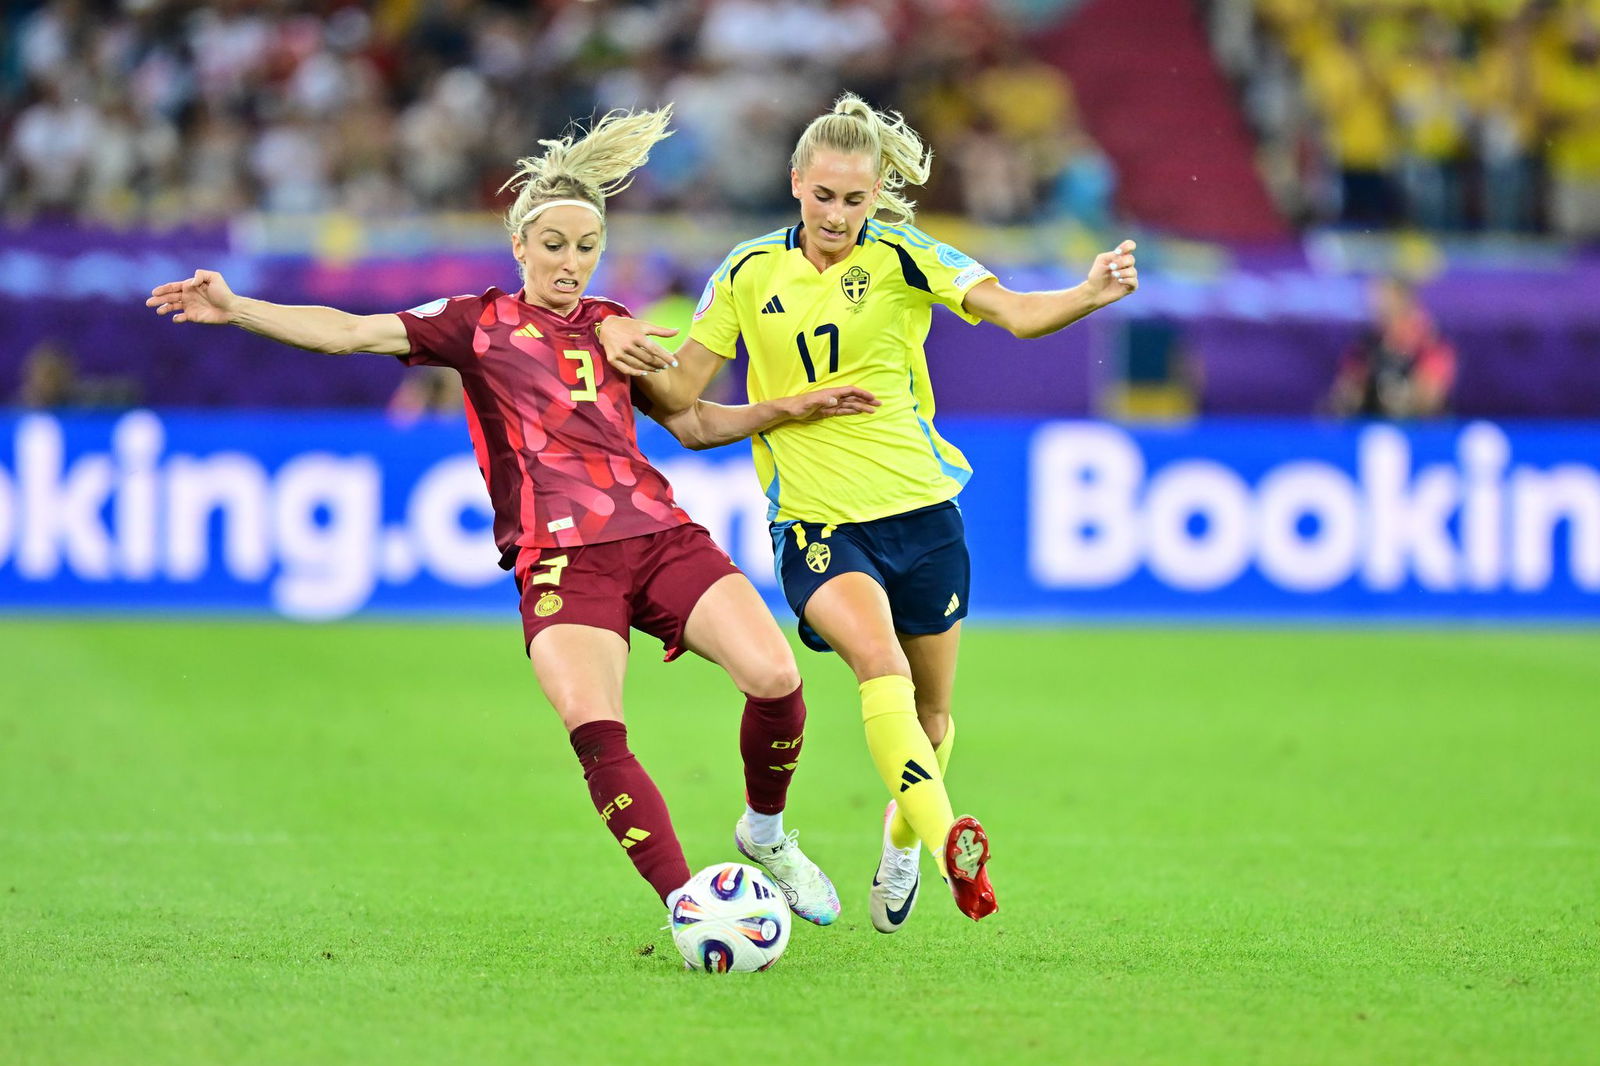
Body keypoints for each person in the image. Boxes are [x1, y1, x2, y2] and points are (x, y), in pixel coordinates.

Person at [145, 107, 878, 930]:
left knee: (777, 678)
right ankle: (685, 904)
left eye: (587, 247)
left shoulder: (612, 327)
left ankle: (767, 833)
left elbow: (698, 425)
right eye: (555, 246)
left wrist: (795, 405)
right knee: (598, 728)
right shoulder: (476, 323)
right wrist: (240, 307)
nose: (571, 262)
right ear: (521, 247)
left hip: (660, 536)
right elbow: (348, 333)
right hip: (562, 557)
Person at [596, 94, 1139, 931]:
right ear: (796, 185)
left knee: (931, 712)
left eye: (856, 200)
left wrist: (1090, 292)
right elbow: (682, 401)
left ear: (878, 193)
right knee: (878, 664)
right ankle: (954, 832)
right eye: (824, 197)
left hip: (924, 516)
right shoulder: (746, 272)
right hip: (817, 525)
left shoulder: (904, 255)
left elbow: (1018, 314)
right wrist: (622, 348)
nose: (838, 216)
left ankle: (907, 840)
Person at [1327, 276, 1456, 419]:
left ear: (1404, 301)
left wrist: (1397, 396)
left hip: (1420, 432)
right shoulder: (1367, 345)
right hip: (1374, 429)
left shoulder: (1429, 344)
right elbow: (1348, 391)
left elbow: (1430, 398)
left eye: (1385, 299)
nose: (1377, 305)